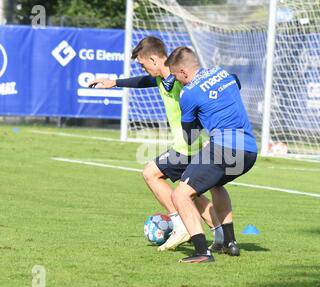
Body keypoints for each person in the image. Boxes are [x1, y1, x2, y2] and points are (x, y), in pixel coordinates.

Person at [88, 37, 224, 252]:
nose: (142, 67)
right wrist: (114, 82)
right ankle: (220, 233)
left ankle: (180, 225)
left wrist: (206, 130)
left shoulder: (177, 77)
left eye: (143, 63)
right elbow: (144, 81)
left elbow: (199, 98)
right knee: (191, 193)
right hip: (193, 146)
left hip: (187, 147)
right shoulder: (164, 77)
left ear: (153, 59)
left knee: (151, 173)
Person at [165, 47, 258, 263]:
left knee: (180, 195)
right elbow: (236, 82)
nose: (176, 80)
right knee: (216, 185)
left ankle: (201, 252)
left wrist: (197, 116)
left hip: (224, 149)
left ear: (183, 72)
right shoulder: (223, 73)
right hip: (250, 151)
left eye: (176, 76)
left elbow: (189, 136)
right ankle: (230, 243)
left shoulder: (188, 94)